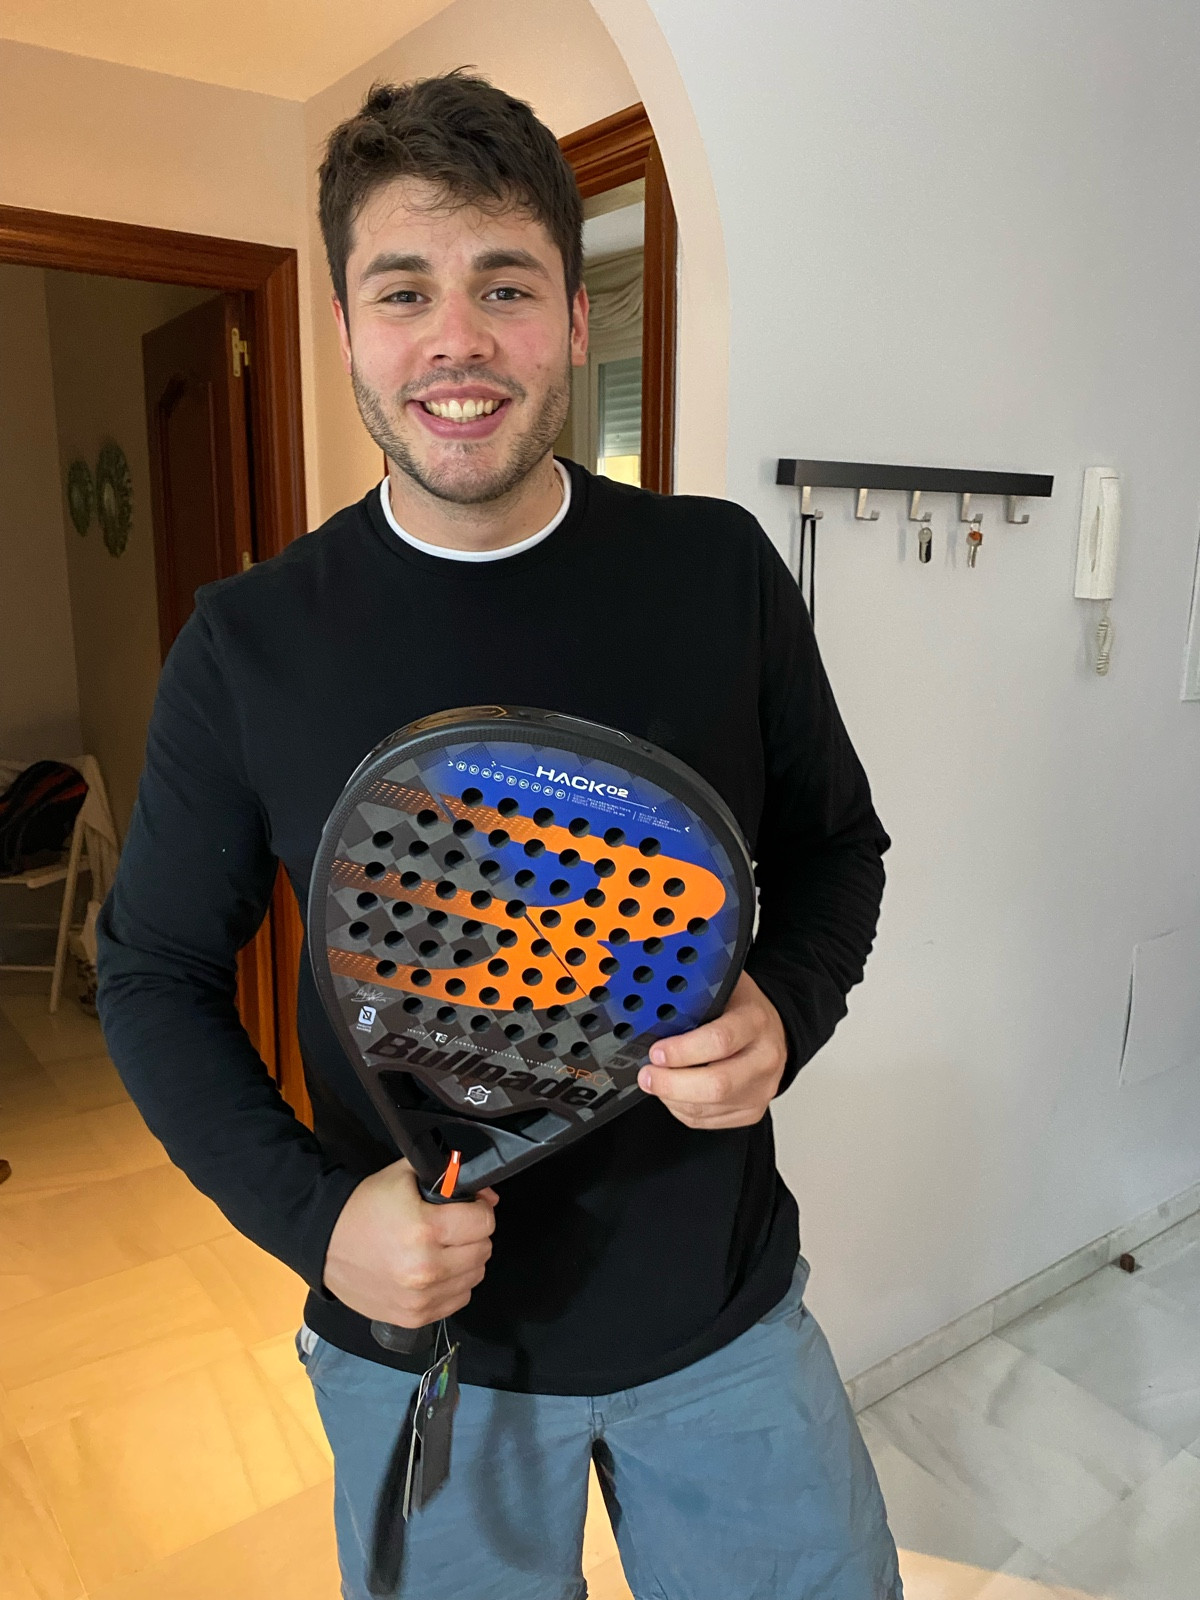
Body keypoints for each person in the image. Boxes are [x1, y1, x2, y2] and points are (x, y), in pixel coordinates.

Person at [97, 68, 903, 1600]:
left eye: (507, 286)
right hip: (422, 1350)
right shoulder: (248, 645)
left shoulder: (717, 573)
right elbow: (150, 977)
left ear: (578, 320)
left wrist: (785, 1011)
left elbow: (834, 850)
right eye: (405, 290)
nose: (456, 340)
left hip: (722, 1323)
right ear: (347, 328)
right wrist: (322, 1224)